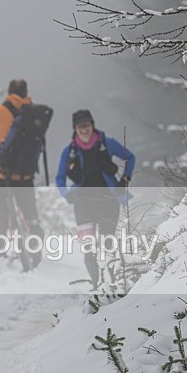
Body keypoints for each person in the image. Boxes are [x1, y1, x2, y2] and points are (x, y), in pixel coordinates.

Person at [55, 109, 135, 288]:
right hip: (82, 205)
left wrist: (125, 179)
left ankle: (114, 285)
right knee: (89, 248)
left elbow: (130, 157)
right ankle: (96, 285)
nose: (84, 130)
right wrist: (66, 194)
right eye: (80, 127)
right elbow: (59, 178)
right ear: (74, 129)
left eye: (87, 125)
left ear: (92, 125)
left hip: (109, 201)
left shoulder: (107, 143)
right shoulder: (69, 151)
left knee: (107, 244)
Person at [0, 79, 43, 264]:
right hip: (25, 174)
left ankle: (0, 252)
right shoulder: (34, 114)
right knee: (30, 212)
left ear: (9, 92)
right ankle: (36, 249)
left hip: (0, 173)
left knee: (2, 213)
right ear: (26, 92)